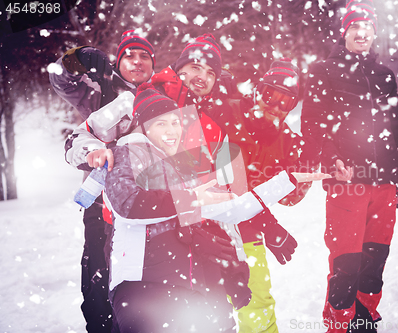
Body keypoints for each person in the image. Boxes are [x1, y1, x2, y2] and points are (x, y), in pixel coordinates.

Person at [105, 88, 330, 332]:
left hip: (189, 288)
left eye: (175, 122)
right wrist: (190, 199)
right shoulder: (129, 152)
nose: (171, 130)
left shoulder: (183, 169)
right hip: (143, 286)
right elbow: (127, 204)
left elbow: (231, 210)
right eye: (161, 124)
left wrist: (286, 180)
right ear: (144, 127)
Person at [301, 0, 398, 331]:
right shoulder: (323, 70)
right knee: (346, 261)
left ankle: (364, 318)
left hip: (384, 184)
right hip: (346, 182)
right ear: (344, 32)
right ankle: (339, 323)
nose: (361, 32)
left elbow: (395, 130)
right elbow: (314, 124)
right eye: (354, 27)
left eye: (367, 27)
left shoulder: (385, 75)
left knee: (375, 259)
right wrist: (331, 158)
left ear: (374, 34)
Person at [50, 29, 155, 333]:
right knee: (98, 286)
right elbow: (59, 77)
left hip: (147, 209)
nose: (137, 62)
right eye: (129, 56)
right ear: (117, 63)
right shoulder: (99, 92)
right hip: (100, 205)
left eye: (144, 56)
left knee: (141, 292)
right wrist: (77, 58)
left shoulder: (162, 98)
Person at [208, 58, 310, 332]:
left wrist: (306, 163)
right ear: (257, 91)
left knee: (258, 303)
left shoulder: (286, 139)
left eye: (285, 102)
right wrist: (270, 226)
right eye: (269, 96)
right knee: (206, 307)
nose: (275, 107)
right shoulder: (225, 112)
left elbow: (290, 198)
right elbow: (220, 179)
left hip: (248, 233)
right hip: (204, 228)